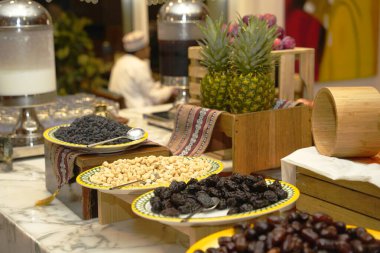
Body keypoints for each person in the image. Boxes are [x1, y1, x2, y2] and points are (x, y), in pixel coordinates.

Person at [108, 30, 175, 108]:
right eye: (147, 47)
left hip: (122, 109)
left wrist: (161, 84)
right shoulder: (138, 65)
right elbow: (155, 98)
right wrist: (171, 89)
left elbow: (143, 88)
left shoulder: (121, 61)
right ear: (140, 50)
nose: (149, 50)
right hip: (136, 112)